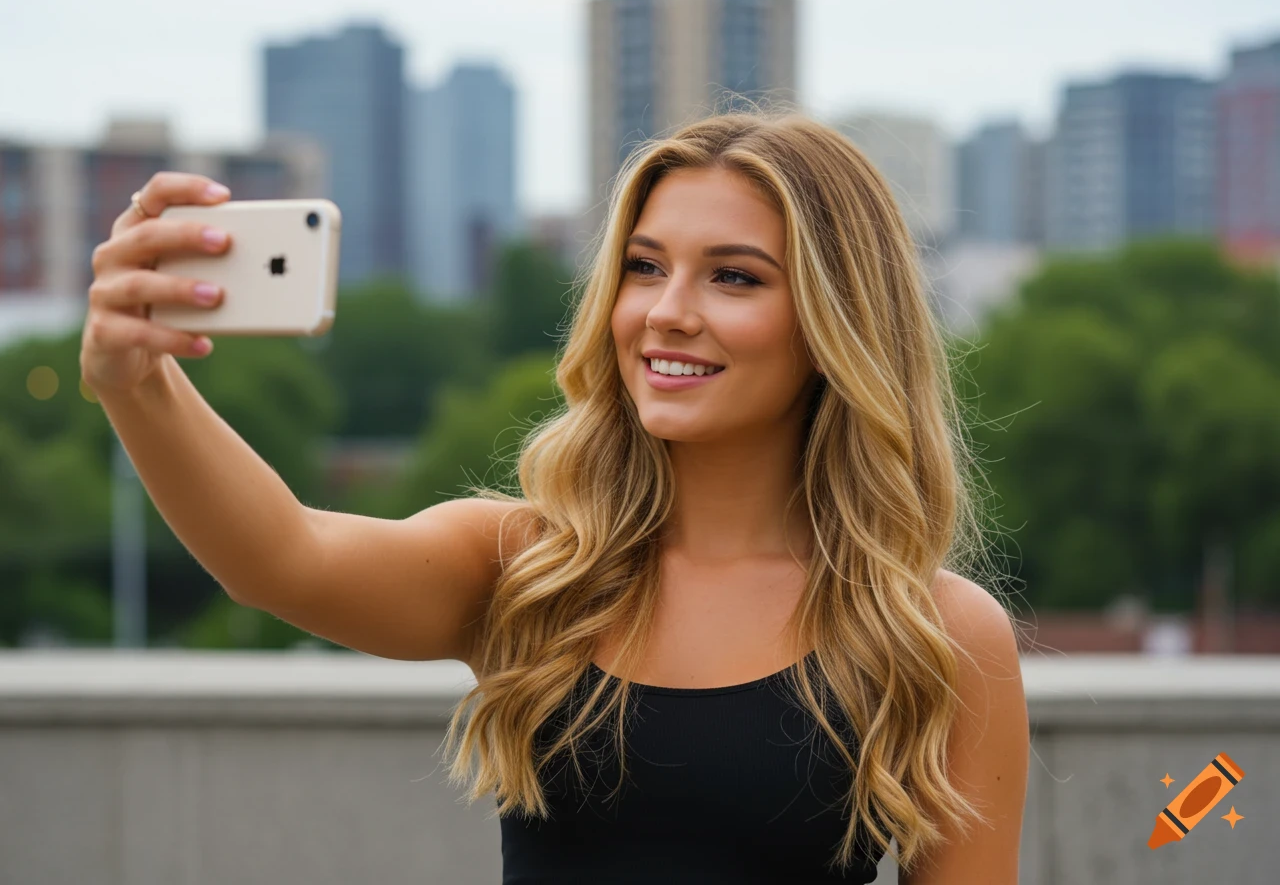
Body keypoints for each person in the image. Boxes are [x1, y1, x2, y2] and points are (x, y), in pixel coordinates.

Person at [81, 109, 1029, 884]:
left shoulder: (934, 633)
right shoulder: (528, 568)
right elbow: (279, 558)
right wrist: (137, 384)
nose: (667, 310)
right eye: (645, 266)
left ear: (837, 321)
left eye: (733, 277)